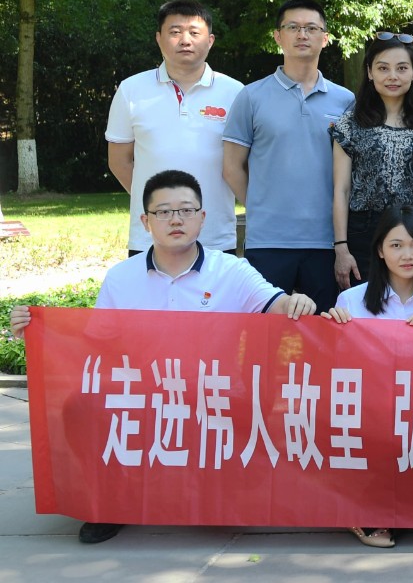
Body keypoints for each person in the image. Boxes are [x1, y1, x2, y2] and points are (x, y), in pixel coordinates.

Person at [7, 169, 317, 545]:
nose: (175, 220)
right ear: (145, 222)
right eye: (164, 212)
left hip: (214, 396)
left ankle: (217, 484)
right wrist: (39, 331)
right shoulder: (122, 277)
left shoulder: (232, 271)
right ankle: (108, 501)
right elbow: (94, 348)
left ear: (202, 218)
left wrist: (296, 302)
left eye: (186, 210)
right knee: (80, 406)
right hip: (144, 395)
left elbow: (277, 305)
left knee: (222, 511)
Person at [321, 204, 413, 548]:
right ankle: (365, 510)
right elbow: (338, 371)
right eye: (396, 245)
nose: (407, 255)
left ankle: (409, 503)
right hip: (370, 410)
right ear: (380, 250)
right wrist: (331, 333)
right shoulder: (351, 301)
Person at [223, 0, 354, 312]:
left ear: (325, 38)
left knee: (324, 329)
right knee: (266, 331)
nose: (302, 34)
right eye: (292, 27)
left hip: (326, 241)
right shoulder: (251, 96)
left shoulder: (345, 100)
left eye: (311, 28)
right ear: (278, 36)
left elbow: (349, 174)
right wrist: (261, 204)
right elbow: (231, 166)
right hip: (268, 240)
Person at [106, 0, 244, 254]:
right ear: (159, 38)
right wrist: (158, 204)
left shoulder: (236, 93)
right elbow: (119, 161)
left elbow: (243, 163)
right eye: (175, 32)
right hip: (150, 238)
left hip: (215, 235)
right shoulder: (131, 90)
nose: (185, 40)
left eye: (194, 32)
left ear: (210, 41)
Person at [331, 33, 413, 291]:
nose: (393, 76)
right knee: (365, 306)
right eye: (383, 68)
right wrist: (341, 248)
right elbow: (341, 190)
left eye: (402, 68)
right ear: (370, 72)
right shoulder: (349, 124)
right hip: (363, 231)